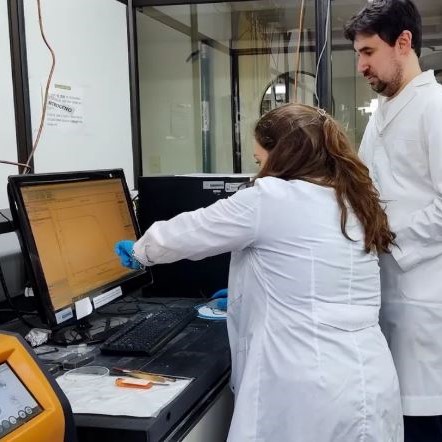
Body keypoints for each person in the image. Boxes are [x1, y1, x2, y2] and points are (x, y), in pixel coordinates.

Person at [115, 103, 403, 441]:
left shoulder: (271, 197)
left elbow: (189, 232)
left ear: (282, 156)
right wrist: (245, 294)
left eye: (259, 160)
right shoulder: (353, 198)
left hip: (306, 386)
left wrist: (140, 251)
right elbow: (318, 281)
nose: (260, 169)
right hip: (370, 376)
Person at [344, 1, 442, 440]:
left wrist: (387, 239)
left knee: (423, 422)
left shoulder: (435, 108)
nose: (361, 66)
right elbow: (365, 190)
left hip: (425, 301)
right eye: (358, 55)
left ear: (403, 42)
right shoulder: (382, 112)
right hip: (385, 298)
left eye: (368, 52)